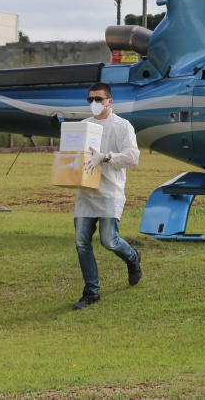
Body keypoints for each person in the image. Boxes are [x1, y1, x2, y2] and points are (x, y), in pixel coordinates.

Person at [71, 82, 141, 310]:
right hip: (86, 193)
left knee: (108, 241)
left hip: (110, 191)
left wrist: (106, 157)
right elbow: (74, 152)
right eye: (90, 99)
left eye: (98, 99)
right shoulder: (83, 125)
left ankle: (132, 257)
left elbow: (132, 158)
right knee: (82, 242)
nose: (94, 103)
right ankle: (91, 291)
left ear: (109, 101)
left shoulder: (121, 126)